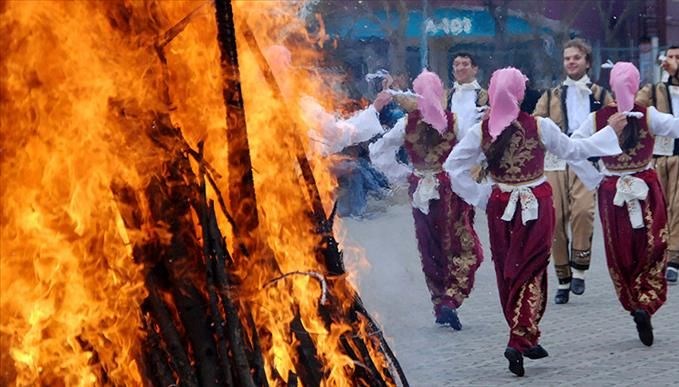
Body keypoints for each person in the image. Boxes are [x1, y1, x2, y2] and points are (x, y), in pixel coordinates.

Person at [444, 67, 623, 376]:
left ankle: (524, 334)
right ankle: (520, 335)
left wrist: (482, 195)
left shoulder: (481, 130)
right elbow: (574, 150)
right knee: (532, 270)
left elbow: (453, 166)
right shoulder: (540, 126)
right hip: (537, 204)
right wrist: (610, 134)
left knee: (510, 271)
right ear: (520, 94)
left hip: (501, 205)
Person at [571, 62, 679, 347]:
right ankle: (647, 302)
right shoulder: (648, 115)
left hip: (611, 191)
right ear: (637, 84)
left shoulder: (598, 118)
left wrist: (593, 178)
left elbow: (573, 149)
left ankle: (634, 302)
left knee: (621, 253)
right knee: (653, 247)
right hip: (646, 187)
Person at [369, 70, 484, 330]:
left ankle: (439, 302)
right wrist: (464, 177)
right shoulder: (455, 122)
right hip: (449, 189)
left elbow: (378, 152)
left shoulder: (406, 124)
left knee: (430, 247)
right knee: (464, 247)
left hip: (420, 189)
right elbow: (473, 153)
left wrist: (405, 175)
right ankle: (451, 299)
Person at [533, 38, 613, 304]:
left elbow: (614, 126)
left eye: (576, 58)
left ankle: (579, 270)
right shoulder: (550, 96)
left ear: (587, 61)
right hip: (556, 162)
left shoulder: (601, 96)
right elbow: (536, 125)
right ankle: (563, 278)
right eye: (567, 58)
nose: (571, 62)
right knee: (554, 220)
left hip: (586, 162)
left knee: (583, 212)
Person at [635, 45, 679, 284]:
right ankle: (658, 255)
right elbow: (636, 107)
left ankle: (674, 258)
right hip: (660, 156)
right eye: (670, 57)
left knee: (678, 206)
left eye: (678, 57)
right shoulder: (655, 90)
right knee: (659, 208)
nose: (672, 61)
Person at [446, 53, 489, 138]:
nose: (460, 68)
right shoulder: (446, 96)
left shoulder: (486, 96)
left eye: (465, 64)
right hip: (451, 149)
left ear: (475, 69)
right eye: (456, 64)